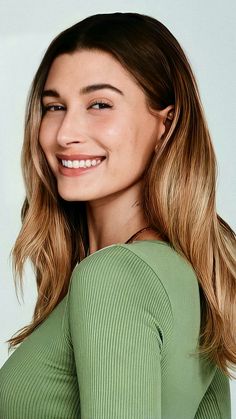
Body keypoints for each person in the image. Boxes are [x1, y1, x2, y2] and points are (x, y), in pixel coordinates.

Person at [0, 12, 235, 419]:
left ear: (167, 122)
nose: (65, 133)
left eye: (99, 104)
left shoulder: (111, 276)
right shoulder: (195, 277)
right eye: (55, 106)